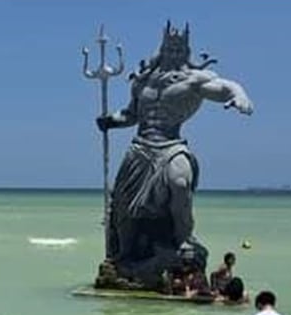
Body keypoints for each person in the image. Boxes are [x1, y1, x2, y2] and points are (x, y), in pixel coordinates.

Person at [95, 22, 253, 286]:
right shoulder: (144, 79)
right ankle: (123, 255)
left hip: (171, 145)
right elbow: (131, 115)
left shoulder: (194, 80)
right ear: (162, 48)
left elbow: (224, 86)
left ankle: (182, 239)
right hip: (141, 148)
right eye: (171, 47)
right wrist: (110, 121)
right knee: (122, 205)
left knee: (180, 184)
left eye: (180, 48)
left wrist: (239, 95)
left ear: (186, 50)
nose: (175, 51)